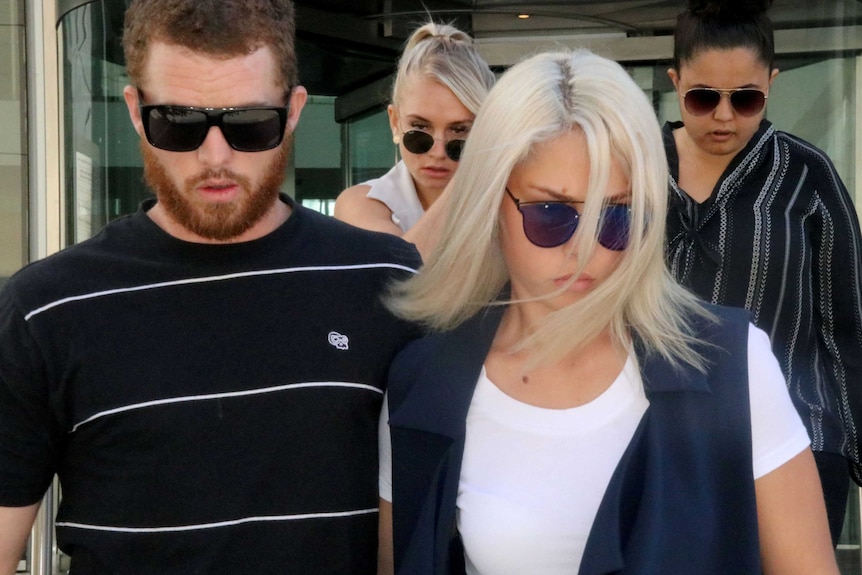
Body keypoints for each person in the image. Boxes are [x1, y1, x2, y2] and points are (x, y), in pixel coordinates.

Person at [377, 49, 839, 574]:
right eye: (552, 214)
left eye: (618, 215)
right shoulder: (426, 385)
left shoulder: (734, 366)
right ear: (487, 199)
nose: (586, 252)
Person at [0, 1, 421, 573]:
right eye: (178, 123)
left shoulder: (386, 283)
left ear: (294, 111)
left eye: (250, 124)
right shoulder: (43, 310)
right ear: (135, 111)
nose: (215, 156)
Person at [664, 0, 862, 545]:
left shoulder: (806, 175)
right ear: (675, 81)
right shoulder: (631, 171)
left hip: (796, 444)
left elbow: (847, 324)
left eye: (746, 98)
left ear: (771, 84)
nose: (725, 116)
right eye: (703, 98)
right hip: (658, 446)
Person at [333, 21, 495, 236]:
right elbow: (404, 265)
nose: (438, 152)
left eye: (459, 131)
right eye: (419, 128)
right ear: (395, 123)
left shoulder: (508, 202)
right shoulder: (363, 203)